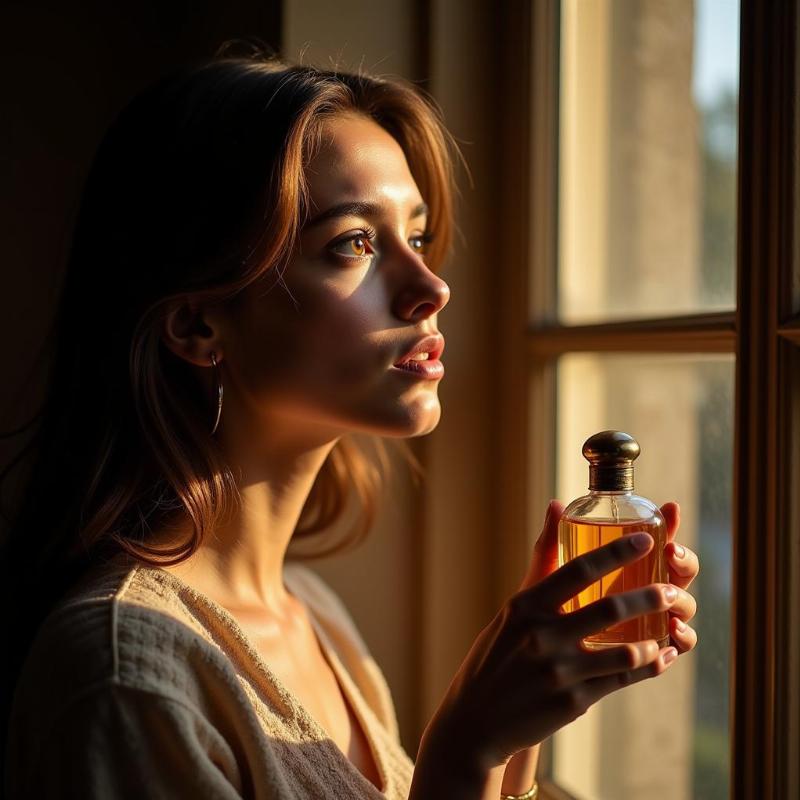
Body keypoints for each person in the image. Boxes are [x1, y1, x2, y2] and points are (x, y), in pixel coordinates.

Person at [0, 43, 699, 800]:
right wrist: (461, 753)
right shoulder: (125, 678)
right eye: (354, 244)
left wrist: (512, 729)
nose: (430, 287)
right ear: (199, 326)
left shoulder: (314, 614)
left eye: (419, 236)